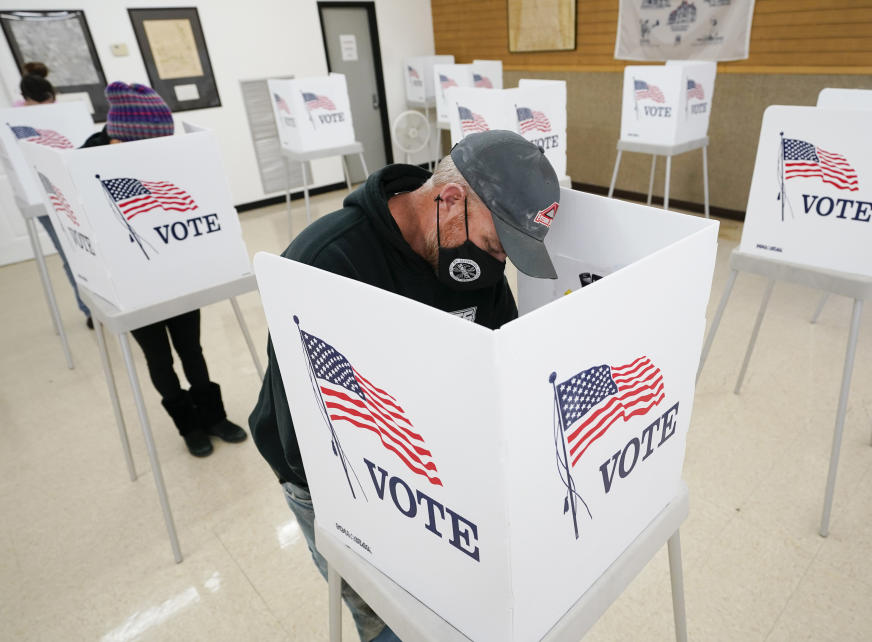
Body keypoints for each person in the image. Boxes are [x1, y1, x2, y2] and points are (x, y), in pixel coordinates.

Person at [249, 130, 560, 642]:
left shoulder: (477, 258)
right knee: (384, 616)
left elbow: (498, 364)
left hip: (433, 479)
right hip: (334, 478)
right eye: (492, 245)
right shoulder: (326, 263)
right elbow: (304, 432)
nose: (495, 264)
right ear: (451, 199)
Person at [82, 81, 247, 457]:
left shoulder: (161, 155)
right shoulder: (84, 165)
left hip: (175, 271)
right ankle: (188, 425)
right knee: (159, 358)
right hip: (130, 283)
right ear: (119, 137)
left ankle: (214, 416)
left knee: (192, 348)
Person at [16, 62, 93, 327]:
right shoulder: (12, 119)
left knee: (88, 248)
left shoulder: (64, 113)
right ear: (26, 101)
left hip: (71, 190)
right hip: (42, 196)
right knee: (68, 253)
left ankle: (98, 302)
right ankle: (88, 309)